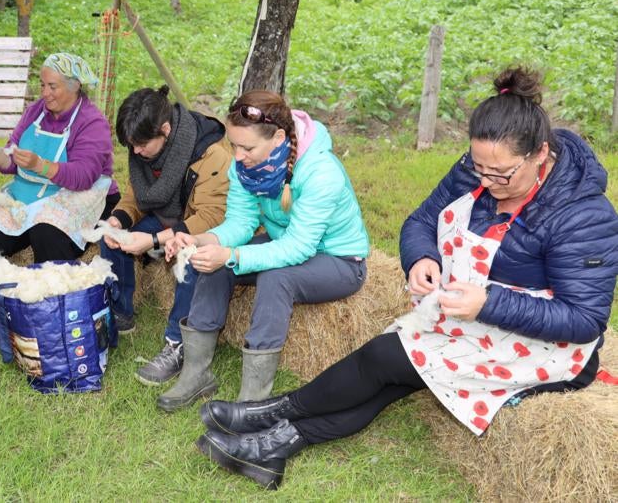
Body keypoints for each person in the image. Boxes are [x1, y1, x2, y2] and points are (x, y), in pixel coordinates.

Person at [195, 67, 618, 491]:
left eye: (500, 175)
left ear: (540, 154)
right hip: (482, 322)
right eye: (479, 168)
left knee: (386, 359)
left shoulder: (584, 216)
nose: (486, 183)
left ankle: (271, 415)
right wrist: (421, 259)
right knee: (390, 379)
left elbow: (583, 320)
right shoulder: (480, 169)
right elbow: (421, 220)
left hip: (547, 350)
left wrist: (487, 303)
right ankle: (274, 447)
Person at [159, 90, 369, 412]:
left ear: (279, 137)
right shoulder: (245, 167)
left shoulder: (320, 173)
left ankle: (253, 400)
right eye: (234, 145)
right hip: (284, 244)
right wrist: (202, 240)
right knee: (216, 265)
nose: (238, 156)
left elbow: (299, 248)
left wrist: (231, 255)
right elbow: (240, 224)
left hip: (338, 261)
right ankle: (195, 373)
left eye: (247, 147)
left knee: (276, 278)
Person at [0, 52, 119, 324]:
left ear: (74, 87)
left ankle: (56, 302)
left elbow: (84, 175)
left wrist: (41, 165)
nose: (45, 93)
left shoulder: (92, 121)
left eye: (53, 86)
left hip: (81, 194)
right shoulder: (35, 112)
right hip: (34, 189)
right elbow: (12, 160)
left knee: (47, 232)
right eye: (42, 85)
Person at [99, 86, 232, 387]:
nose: (135, 152)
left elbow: (212, 217)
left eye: (141, 145)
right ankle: (121, 314)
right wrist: (118, 220)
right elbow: (136, 194)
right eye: (130, 146)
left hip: (199, 228)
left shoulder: (211, 154)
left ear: (165, 130)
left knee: (190, 258)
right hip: (165, 218)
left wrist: (156, 240)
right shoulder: (145, 148)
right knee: (111, 240)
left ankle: (177, 344)